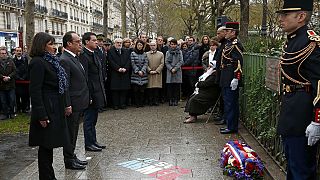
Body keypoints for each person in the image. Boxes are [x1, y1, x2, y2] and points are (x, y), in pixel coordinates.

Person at [276, 0, 320, 179]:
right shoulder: (293, 41)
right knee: (293, 165)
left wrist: (317, 121)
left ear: (301, 16)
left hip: (303, 114)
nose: (280, 19)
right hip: (291, 110)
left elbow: (319, 85)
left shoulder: (312, 44)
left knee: (301, 169)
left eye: (286, 15)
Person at [28, 32, 69, 180]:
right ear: (42, 46)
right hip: (46, 108)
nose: (54, 47)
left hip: (54, 106)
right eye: (51, 44)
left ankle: (48, 176)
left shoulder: (52, 61)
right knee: (45, 145)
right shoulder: (38, 62)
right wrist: (42, 115)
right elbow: (35, 90)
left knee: (49, 145)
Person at [60, 31, 89, 170]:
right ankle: (69, 159)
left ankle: (72, 155)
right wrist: (67, 104)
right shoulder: (64, 59)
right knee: (70, 132)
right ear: (69, 44)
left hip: (79, 101)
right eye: (77, 42)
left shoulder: (74, 57)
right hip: (72, 103)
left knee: (74, 131)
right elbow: (65, 86)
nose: (80, 44)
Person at [79, 32, 106, 152]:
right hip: (90, 92)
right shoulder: (83, 55)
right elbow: (85, 77)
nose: (96, 42)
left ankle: (93, 141)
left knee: (94, 118)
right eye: (94, 40)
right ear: (86, 42)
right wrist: (88, 95)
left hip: (97, 90)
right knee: (89, 119)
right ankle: (88, 143)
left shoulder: (94, 53)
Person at [219, 22, 244, 134]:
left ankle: (232, 126)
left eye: (227, 31)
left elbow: (238, 62)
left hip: (231, 75)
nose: (226, 33)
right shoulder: (228, 43)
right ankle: (230, 124)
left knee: (231, 102)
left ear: (233, 32)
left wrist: (236, 78)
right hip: (225, 75)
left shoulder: (236, 44)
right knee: (227, 101)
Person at [107, 38, 131, 109]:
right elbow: (111, 61)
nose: (119, 44)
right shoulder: (110, 51)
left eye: (120, 43)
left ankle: (122, 104)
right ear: (114, 43)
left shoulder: (126, 51)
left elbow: (128, 61)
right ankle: (116, 105)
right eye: (117, 43)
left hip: (124, 72)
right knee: (115, 90)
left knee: (124, 89)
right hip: (115, 73)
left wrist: (125, 68)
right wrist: (118, 68)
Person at [165, 39, 183, 106]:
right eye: (172, 44)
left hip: (177, 71)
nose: (173, 46)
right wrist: (171, 68)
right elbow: (166, 62)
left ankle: (176, 99)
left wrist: (175, 68)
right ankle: (170, 99)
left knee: (176, 86)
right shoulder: (167, 52)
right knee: (170, 86)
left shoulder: (179, 52)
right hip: (170, 71)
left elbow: (181, 61)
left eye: (174, 44)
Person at [130, 40, 149, 107]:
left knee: (142, 90)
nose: (139, 46)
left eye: (141, 45)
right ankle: (136, 103)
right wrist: (138, 71)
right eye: (138, 45)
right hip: (135, 74)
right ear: (136, 45)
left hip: (143, 75)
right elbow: (133, 63)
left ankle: (141, 103)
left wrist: (143, 71)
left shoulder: (145, 54)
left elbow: (146, 63)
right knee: (136, 90)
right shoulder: (132, 53)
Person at [0, 46, 16, 120]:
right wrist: (2, 77)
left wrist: (9, 77)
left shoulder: (11, 61)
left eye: (5, 53)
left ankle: (12, 113)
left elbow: (15, 71)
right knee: (3, 100)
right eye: (2, 53)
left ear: (7, 53)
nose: (3, 54)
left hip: (10, 84)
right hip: (1, 85)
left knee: (12, 100)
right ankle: (4, 114)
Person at [146, 40, 164, 106]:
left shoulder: (161, 54)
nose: (152, 47)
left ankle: (156, 101)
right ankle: (150, 101)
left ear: (156, 46)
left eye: (154, 45)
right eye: (151, 45)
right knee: (150, 88)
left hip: (157, 73)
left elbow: (162, 64)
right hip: (149, 73)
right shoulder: (146, 54)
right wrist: (149, 70)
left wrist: (157, 71)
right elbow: (145, 63)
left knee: (156, 88)